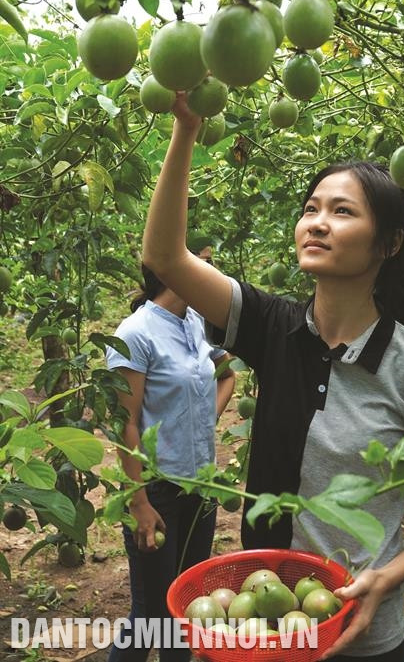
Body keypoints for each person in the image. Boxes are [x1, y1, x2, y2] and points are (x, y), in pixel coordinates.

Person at [141, 95, 404, 662]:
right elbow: (165, 258)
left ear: (389, 243)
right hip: (262, 617)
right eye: (311, 208)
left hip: (357, 629)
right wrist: (186, 130)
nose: (317, 223)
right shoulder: (274, 328)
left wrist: (387, 578)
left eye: (343, 212)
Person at [106, 247, 234, 662]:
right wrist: (138, 502)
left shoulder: (198, 321)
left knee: (188, 604)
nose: (211, 274)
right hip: (156, 490)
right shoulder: (134, 333)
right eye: (204, 264)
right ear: (175, 270)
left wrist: (201, 419)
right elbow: (124, 424)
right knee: (151, 616)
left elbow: (226, 378)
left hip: (201, 486)